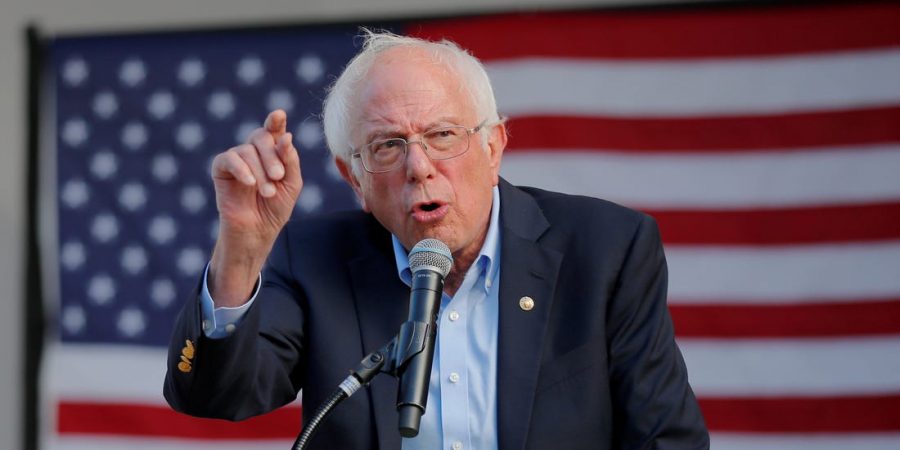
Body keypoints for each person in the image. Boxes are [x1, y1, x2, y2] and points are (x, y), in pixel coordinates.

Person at [164, 30, 709, 450]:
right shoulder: (313, 259)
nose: (419, 167)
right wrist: (241, 248)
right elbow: (214, 396)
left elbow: (666, 440)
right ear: (353, 177)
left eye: (443, 135)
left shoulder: (607, 250)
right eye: (386, 146)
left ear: (494, 146)